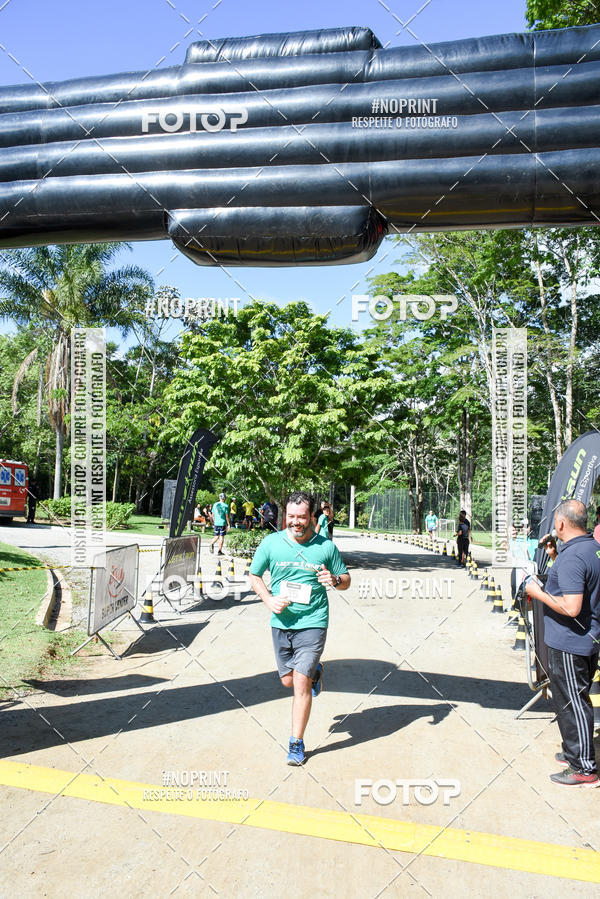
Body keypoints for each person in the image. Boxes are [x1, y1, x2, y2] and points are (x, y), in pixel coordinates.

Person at [249, 491, 350, 765]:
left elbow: (346, 580)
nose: (296, 522)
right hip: (281, 622)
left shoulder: (325, 547)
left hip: (313, 621)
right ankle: (316, 672)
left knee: (300, 683)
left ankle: (296, 743)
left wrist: (334, 578)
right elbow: (254, 574)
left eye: (302, 517)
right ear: (286, 517)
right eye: (291, 517)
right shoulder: (271, 543)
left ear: (311, 517)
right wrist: (268, 598)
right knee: (287, 680)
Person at [525, 499, 600, 786]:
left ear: (561, 523)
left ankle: (584, 767)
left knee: (572, 702)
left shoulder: (574, 557)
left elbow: (571, 606)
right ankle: (573, 752)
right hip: (584, 638)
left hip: (571, 642)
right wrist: (554, 556)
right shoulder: (590, 548)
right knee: (571, 700)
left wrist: (536, 591)